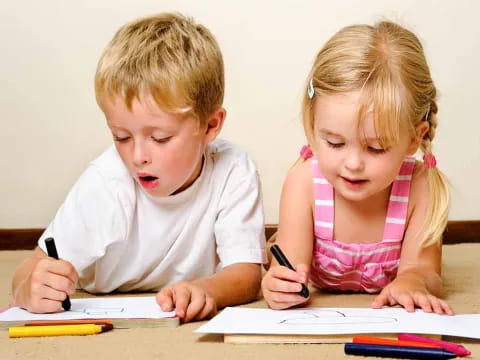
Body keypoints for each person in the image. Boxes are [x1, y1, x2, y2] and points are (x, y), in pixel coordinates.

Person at [12, 12, 266, 322]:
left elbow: (247, 273)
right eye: (121, 136)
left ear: (210, 126)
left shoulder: (233, 170)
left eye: (160, 138)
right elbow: (30, 269)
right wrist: (30, 286)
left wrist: (208, 290)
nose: (137, 156)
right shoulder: (107, 181)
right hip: (102, 291)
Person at [262, 21, 453, 315]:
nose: (352, 164)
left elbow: (425, 269)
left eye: (376, 148)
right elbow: (287, 264)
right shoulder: (305, 182)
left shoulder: (419, 185)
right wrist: (280, 285)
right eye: (335, 143)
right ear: (313, 127)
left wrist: (413, 280)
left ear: (414, 138)